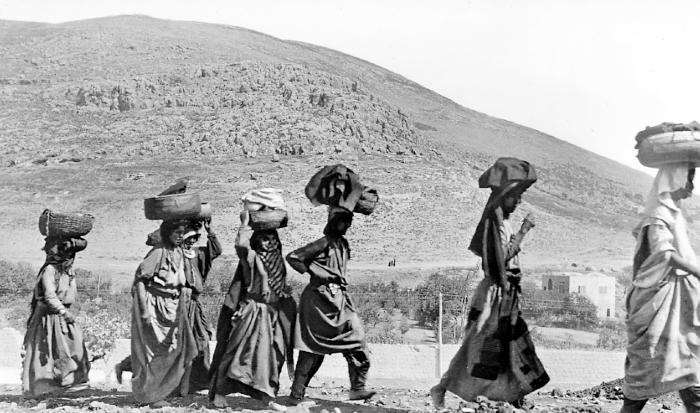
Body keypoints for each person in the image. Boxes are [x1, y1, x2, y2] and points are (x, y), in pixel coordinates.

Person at [430, 157, 549, 408]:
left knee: (510, 344)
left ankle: (514, 395)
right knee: (480, 344)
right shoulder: (495, 225)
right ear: (504, 194)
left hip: (506, 293)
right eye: (515, 196)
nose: (518, 202)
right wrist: (524, 231)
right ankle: (442, 387)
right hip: (495, 293)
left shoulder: (502, 222)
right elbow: (501, 256)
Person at [620, 164, 700, 413]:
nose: (691, 187)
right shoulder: (658, 215)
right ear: (675, 178)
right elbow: (664, 254)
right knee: (647, 366)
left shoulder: (672, 214)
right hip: (656, 303)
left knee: (690, 370)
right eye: (688, 179)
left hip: (678, 307)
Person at [285, 206, 376, 405]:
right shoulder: (323, 243)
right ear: (334, 222)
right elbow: (293, 257)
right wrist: (316, 273)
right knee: (312, 350)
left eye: (348, 222)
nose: (347, 226)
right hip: (318, 303)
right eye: (343, 222)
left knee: (356, 340)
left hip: (339, 301)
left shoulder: (342, 244)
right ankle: (296, 395)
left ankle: (357, 388)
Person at [209, 208, 296, 411]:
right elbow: (241, 245)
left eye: (273, 239)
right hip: (251, 312)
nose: (270, 243)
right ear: (257, 242)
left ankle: (266, 396)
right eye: (265, 239)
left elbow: (279, 285)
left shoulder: (278, 262)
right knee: (236, 353)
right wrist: (245, 223)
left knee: (272, 357)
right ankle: (219, 393)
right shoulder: (251, 259)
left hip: (272, 314)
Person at [129, 218, 198, 407]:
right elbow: (140, 281)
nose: (181, 237)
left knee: (173, 349)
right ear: (167, 233)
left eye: (183, 233)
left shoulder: (178, 252)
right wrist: (144, 311)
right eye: (177, 233)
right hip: (154, 306)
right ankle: (150, 396)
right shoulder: (158, 252)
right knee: (153, 352)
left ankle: (157, 391)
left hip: (172, 306)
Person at [22, 237, 91, 397]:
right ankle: (45, 388)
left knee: (75, 348)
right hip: (50, 316)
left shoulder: (67, 271)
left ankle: (68, 384)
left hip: (62, 314)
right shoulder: (50, 270)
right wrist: (63, 312)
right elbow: (49, 295)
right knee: (46, 352)